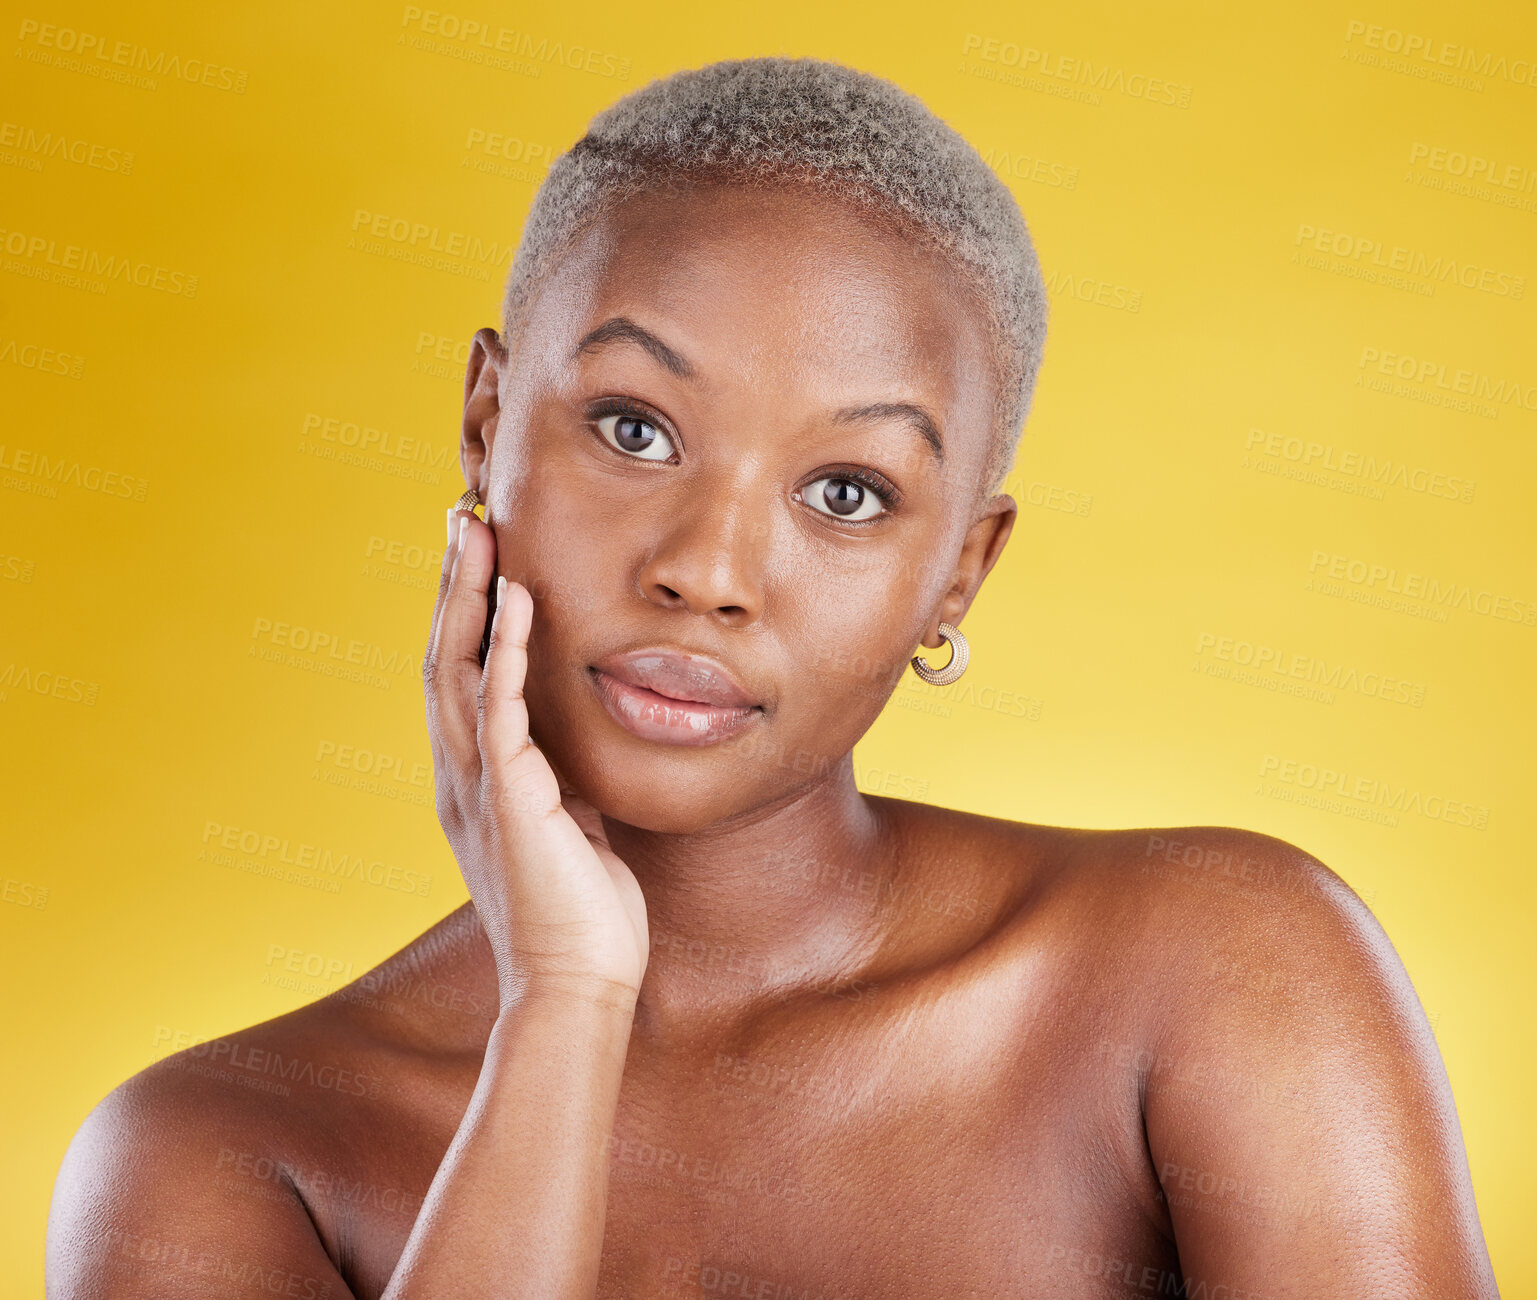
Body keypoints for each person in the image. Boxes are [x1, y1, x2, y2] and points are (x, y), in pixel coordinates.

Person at [46, 56, 1497, 1299]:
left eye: (848, 494)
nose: (709, 569)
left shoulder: (1215, 972)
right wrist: (560, 1006)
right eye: (633, 427)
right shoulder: (222, 1151)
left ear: (958, 574)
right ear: (487, 422)